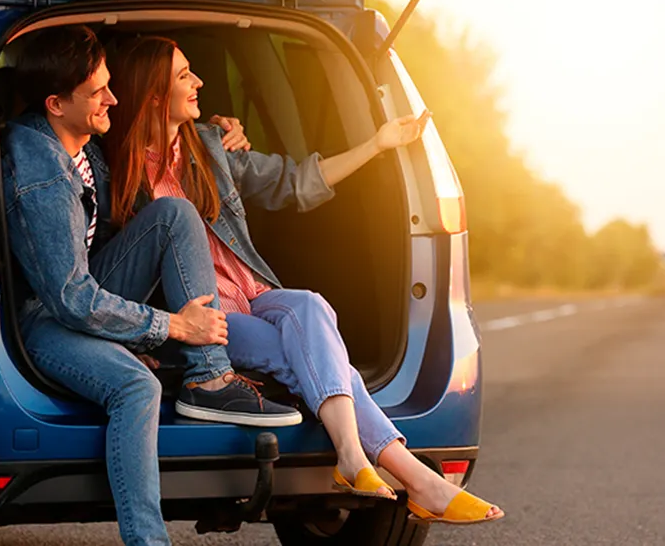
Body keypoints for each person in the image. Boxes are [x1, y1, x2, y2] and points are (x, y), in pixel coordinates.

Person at [101, 35, 504, 525]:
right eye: (185, 74)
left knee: (312, 306)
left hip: (252, 290)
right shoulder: (112, 164)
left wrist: (378, 144)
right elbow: (111, 262)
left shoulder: (209, 144)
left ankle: (357, 458)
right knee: (316, 356)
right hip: (206, 317)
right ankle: (409, 477)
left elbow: (292, 182)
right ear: (154, 95)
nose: (200, 80)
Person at [0, 25, 302, 546]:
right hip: (47, 318)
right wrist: (172, 327)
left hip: (87, 296)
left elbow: (152, 144)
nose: (112, 99)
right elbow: (70, 299)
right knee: (137, 387)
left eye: (110, 85)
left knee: (174, 214)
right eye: (98, 92)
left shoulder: (83, 144)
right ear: (55, 103)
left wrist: (216, 133)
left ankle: (210, 380)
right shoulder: (42, 172)